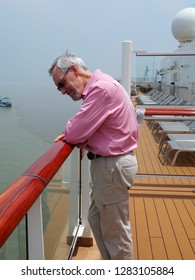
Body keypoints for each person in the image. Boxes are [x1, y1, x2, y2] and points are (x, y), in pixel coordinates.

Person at [48, 51, 138, 260]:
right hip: (108, 166)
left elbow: (74, 131)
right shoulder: (103, 86)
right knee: (96, 220)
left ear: (73, 70)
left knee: (116, 233)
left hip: (111, 168)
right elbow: (90, 129)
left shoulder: (101, 89)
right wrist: (81, 137)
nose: (62, 91)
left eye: (61, 84)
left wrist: (76, 136)